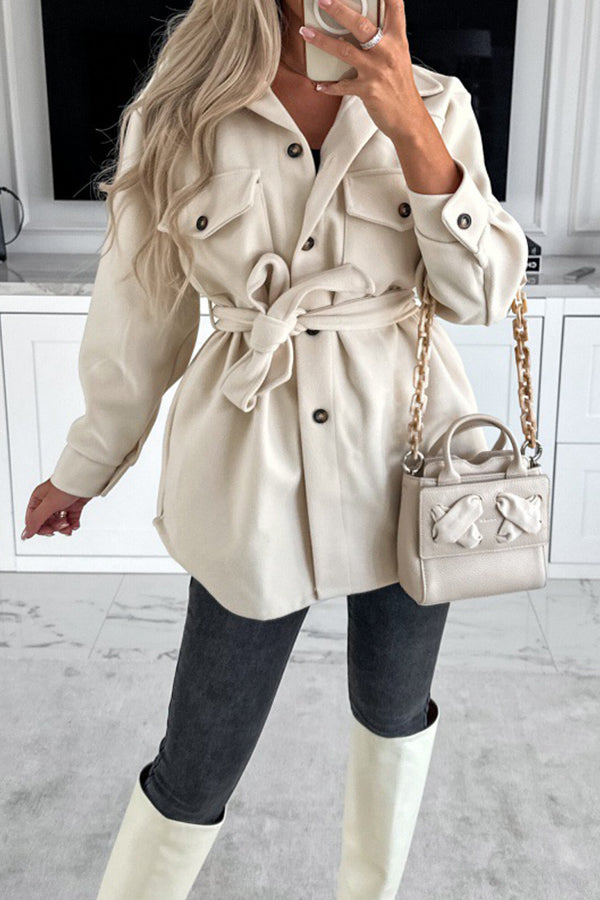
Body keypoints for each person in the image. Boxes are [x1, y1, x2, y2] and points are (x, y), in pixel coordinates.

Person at [22, 0, 529, 897]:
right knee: (199, 756)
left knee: (394, 713)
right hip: (251, 469)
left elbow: (482, 295)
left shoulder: (436, 103)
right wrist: (86, 465)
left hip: (411, 467)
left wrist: (408, 124)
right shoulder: (183, 110)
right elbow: (141, 311)